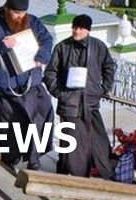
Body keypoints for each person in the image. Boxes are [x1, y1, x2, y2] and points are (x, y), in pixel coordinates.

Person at [0, 0, 54, 170]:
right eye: (16, 13)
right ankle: (10, 159)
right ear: (6, 9)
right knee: (10, 127)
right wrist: (1, 47)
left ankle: (34, 158)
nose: (20, 17)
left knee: (40, 118)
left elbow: (47, 40)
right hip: (5, 86)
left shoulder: (33, 22)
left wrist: (42, 56)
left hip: (30, 82)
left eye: (23, 13)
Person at [43, 14, 116, 179]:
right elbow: (50, 73)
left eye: (81, 28)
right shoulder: (62, 47)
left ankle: (95, 170)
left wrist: (104, 89)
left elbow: (109, 67)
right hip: (69, 103)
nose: (76, 31)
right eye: (75, 27)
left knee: (97, 139)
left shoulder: (98, 46)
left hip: (90, 102)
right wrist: (60, 94)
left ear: (87, 30)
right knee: (72, 142)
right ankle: (74, 174)